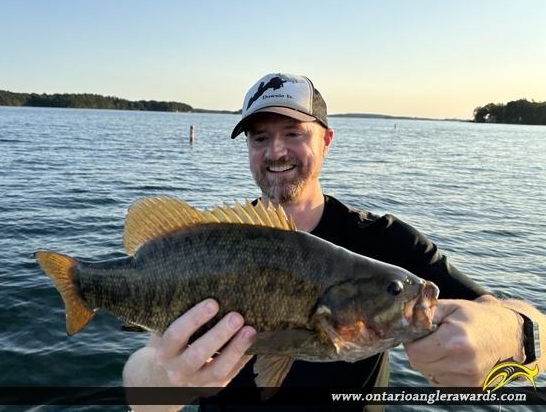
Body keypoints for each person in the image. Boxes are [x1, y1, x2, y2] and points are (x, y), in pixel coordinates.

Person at [123, 73, 544, 411]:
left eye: (293, 133)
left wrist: (508, 334)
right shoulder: (213, 242)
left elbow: (533, 329)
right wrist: (168, 378)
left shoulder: (381, 242)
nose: (276, 151)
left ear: (326, 140)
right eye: (259, 138)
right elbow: (142, 386)